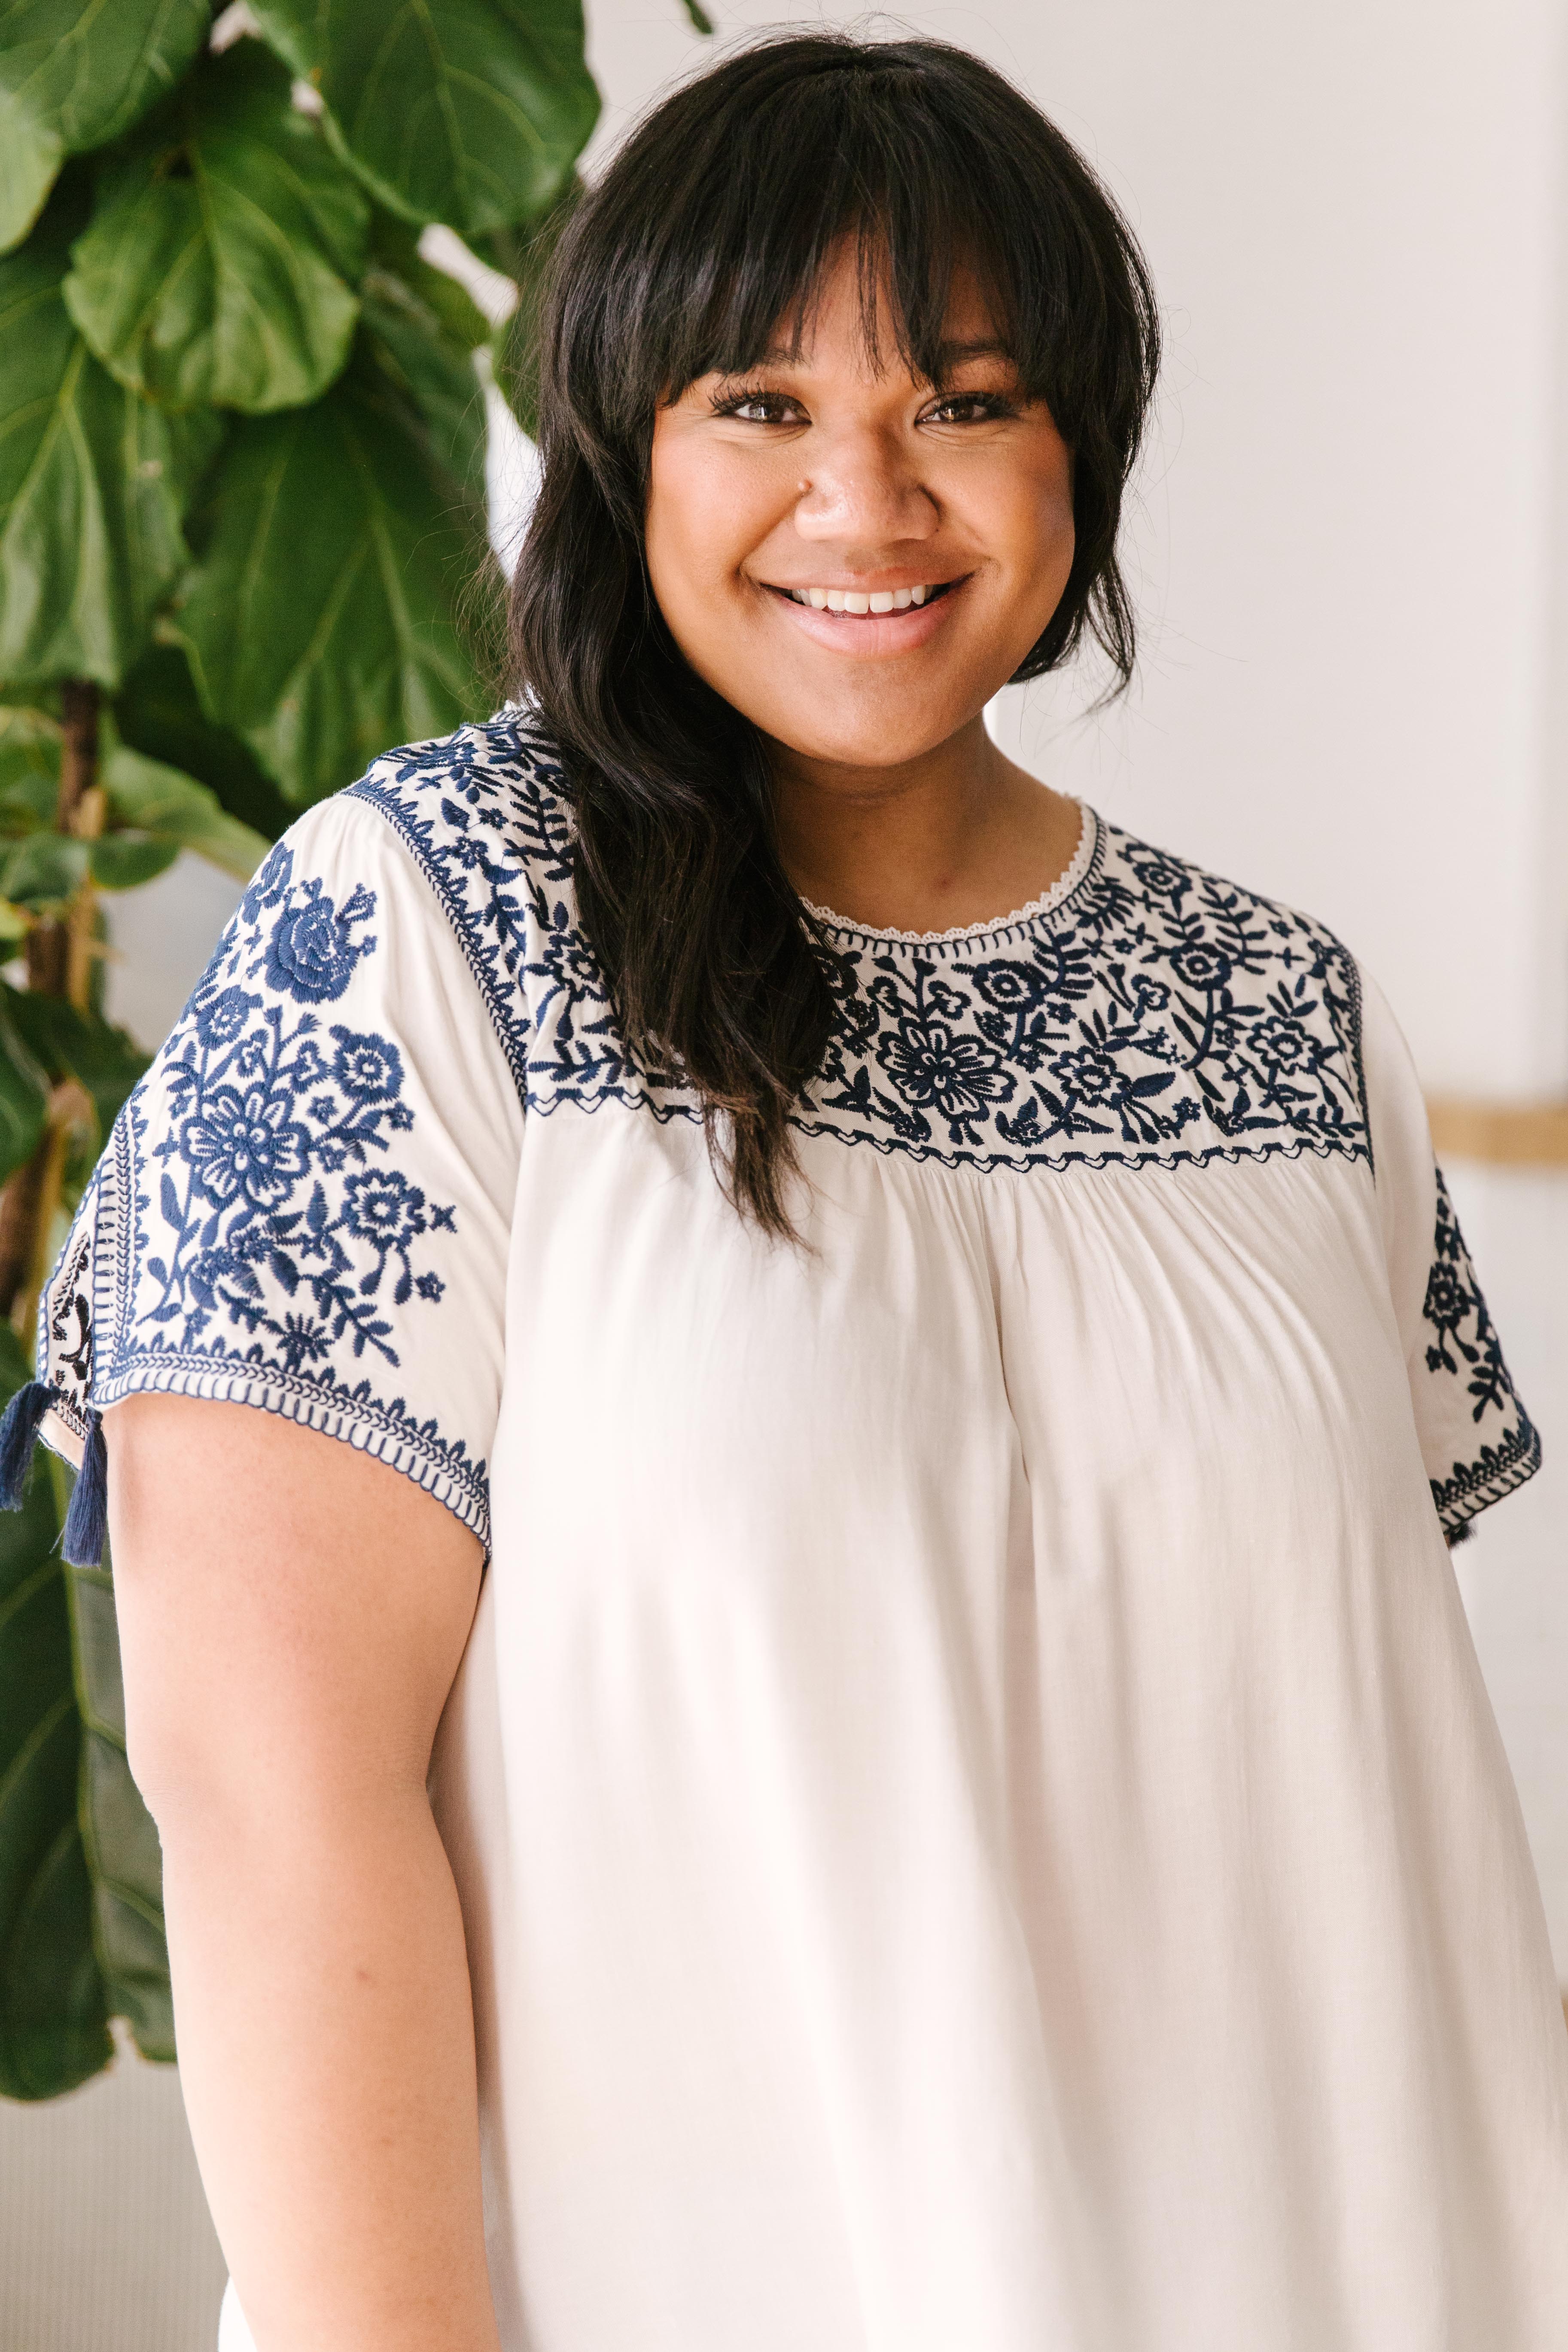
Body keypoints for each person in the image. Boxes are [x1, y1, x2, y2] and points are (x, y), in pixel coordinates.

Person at [7, 31, 1565, 2352]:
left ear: (1082, 454)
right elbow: (271, 1799)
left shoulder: (1286, 1012)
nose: (869, 496)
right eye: (757, 402)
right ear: (618, 449)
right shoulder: (412, 928)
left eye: (961, 400)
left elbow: (1292, 1812)